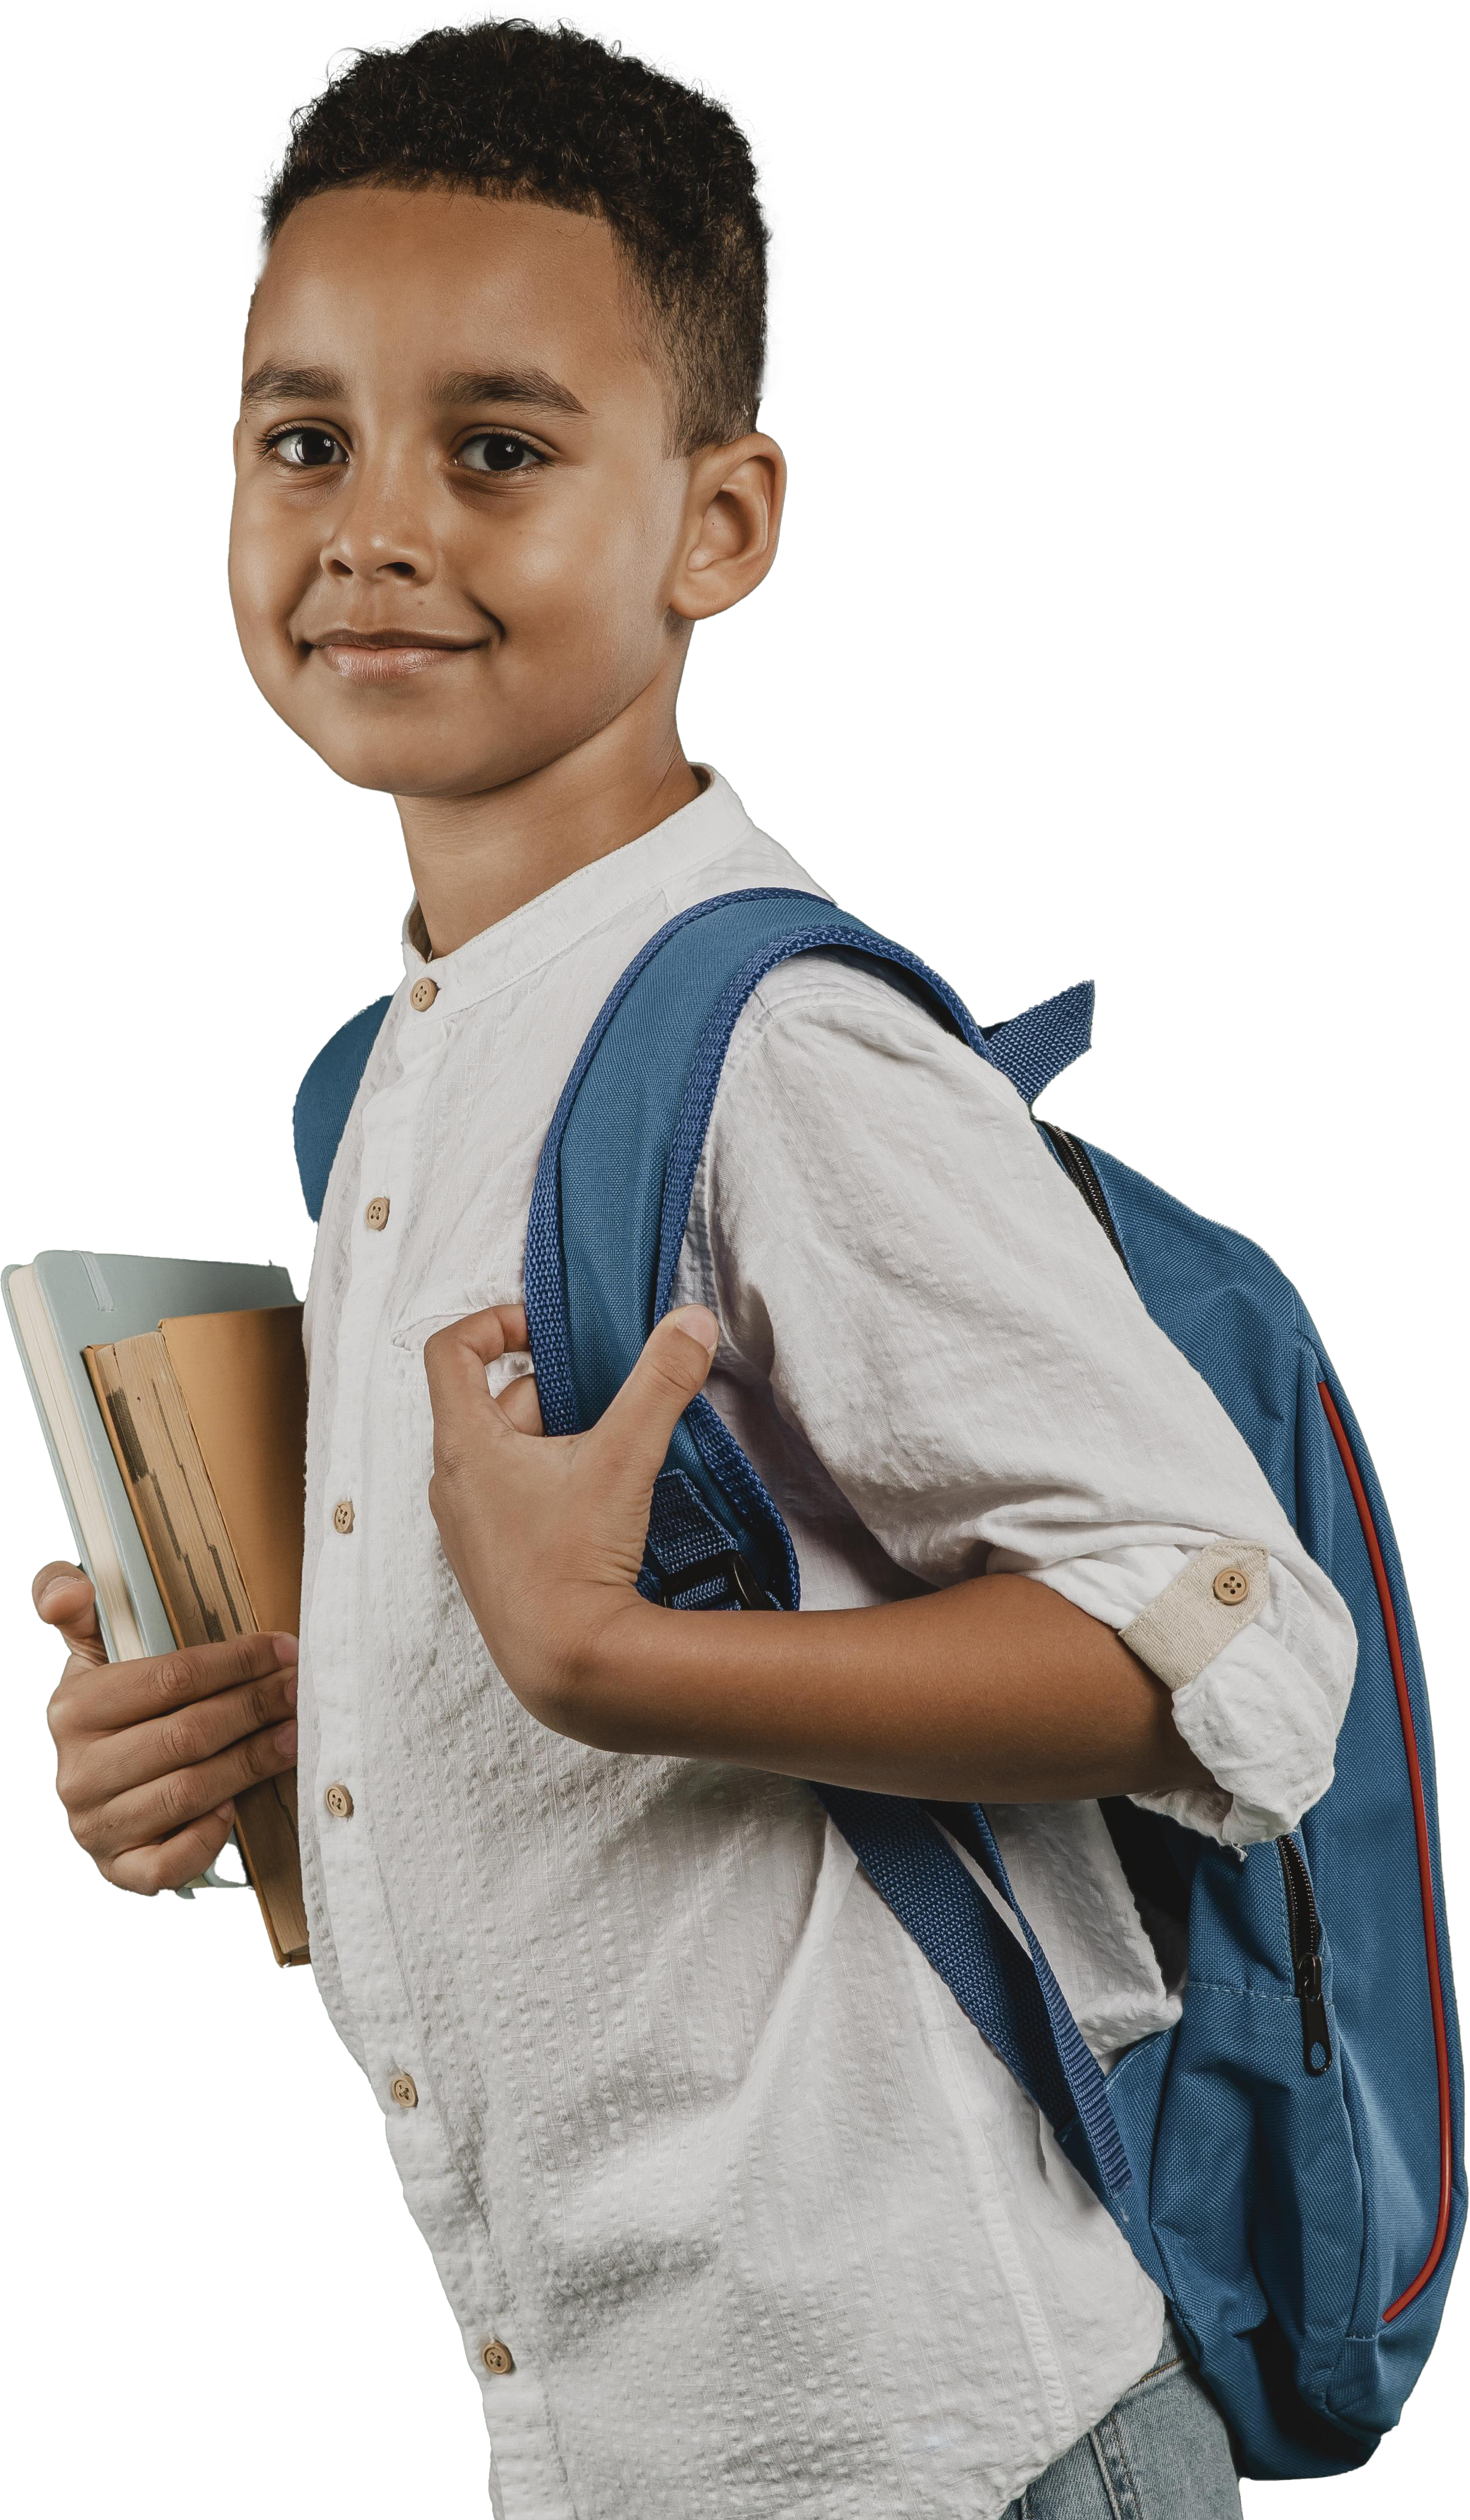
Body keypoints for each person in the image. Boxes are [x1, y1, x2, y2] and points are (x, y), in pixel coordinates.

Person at [33, 16, 1355, 2515]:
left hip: (942, 2444)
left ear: (718, 523)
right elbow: (509, 1729)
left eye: (498, 451)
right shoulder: (392, 1070)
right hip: (645, 2455)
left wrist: (608, 1663)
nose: (370, 527)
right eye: (300, 438)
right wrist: (229, 1771)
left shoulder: (770, 1043)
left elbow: (1247, 1656)